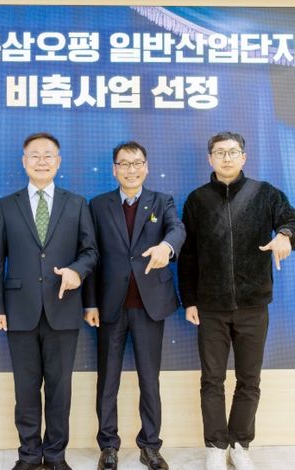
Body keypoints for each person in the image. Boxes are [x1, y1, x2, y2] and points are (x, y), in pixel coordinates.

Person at [178, 132, 295, 470]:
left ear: (244, 157)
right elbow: (188, 255)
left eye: (233, 152)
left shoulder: (265, 194)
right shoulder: (197, 200)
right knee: (212, 380)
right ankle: (215, 445)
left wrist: (286, 235)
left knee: (249, 379)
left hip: (253, 305)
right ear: (210, 158)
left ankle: (239, 444)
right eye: (220, 152)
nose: (227, 158)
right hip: (210, 307)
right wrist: (189, 300)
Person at [0, 132, 98, 470]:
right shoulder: (6, 205)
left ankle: (56, 454)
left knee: (60, 390)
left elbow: (90, 252)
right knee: (26, 389)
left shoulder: (76, 203)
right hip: (19, 311)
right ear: (24, 162)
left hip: (64, 307)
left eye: (48, 155)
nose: (41, 161)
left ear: (58, 162)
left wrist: (77, 271)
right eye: (34, 155)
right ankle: (29, 454)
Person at [83, 141, 185, 470]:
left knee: (149, 379)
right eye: (124, 164)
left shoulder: (162, 201)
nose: (131, 169)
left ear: (146, 167)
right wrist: (90, 303)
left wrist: (166, 247)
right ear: (114, 169)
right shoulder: (98, 205)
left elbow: (177, 229)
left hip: (149, 305)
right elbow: (90, 255)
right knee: (107, 380)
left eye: (137, 163)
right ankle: (108, 445)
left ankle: (150, 445)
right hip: (109, 306)